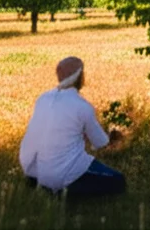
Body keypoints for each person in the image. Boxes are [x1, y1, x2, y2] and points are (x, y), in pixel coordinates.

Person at [19, 56, 126, 198]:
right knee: (118, 181)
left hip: (33, 170)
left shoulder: (43, 98)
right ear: (79, 76)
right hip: (62, 173)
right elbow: (101, 143)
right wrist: (116, 136)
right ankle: (62, 191)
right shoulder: (82, 106)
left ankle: (43, 186)